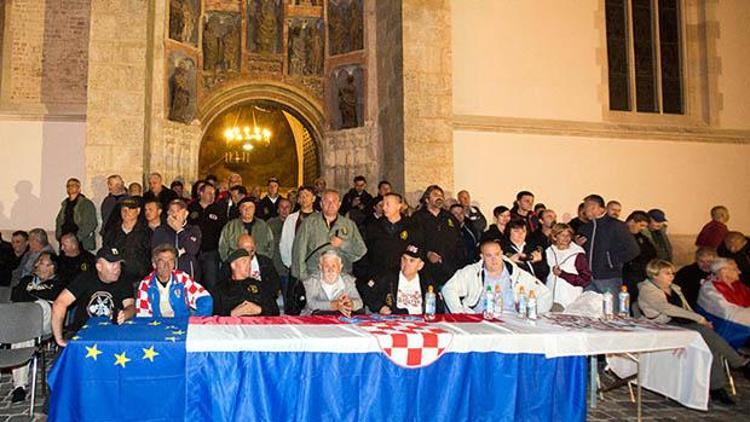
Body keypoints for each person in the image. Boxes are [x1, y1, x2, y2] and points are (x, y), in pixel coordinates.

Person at [638, 259, 750, 405]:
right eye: (667, 273)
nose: (671, 276)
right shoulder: (647, 289)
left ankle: (718, 387)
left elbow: (685, 309)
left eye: (672, 273)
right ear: (654, 275)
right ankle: (738, 363)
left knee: (711, 343)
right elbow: (667, 308)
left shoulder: (675, 288)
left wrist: (699, 320)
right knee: (703, 332)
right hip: (661, 324)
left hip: (680, 322)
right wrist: (699, 319)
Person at [51, 247, 136, 347]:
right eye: (112, 264)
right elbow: (59, 303)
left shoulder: (124, 279)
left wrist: (125, 313)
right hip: (83, 332)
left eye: (119, 263)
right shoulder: (86, 278)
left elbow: (131, 307)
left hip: (112, 333)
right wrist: (59, 339)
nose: (117, 268)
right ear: (99, 267)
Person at [442, 239, 553, 314]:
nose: (494, 259)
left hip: (511, 321)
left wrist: (534, 314)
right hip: (480, 321)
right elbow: (448, 288)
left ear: (502, 254)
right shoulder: (470, 272)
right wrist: (460, 314)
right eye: (489, 256)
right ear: (482, 257)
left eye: (497, 254)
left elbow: (545, 294)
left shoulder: (518, 273)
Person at [9, 252, 62, 403]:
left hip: (46, 324)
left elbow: (52, 295)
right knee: (23, 335)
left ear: (52, 268)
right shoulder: (26, 279)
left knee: (42, 305)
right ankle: (19, 386)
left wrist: (30, 296)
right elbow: (16, 295)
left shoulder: (57, 283)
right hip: (26, 326)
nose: (37, 264)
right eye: (38, 261)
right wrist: (35, 296)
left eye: (42, 262)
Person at [291, 189, 366, 281]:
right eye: (327, 201)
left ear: (339, 204)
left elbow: (361, 250)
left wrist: (343, 245)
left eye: (334, 201)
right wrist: (304, 278)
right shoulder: (309, 223)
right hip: (315, 276)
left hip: (342, 277)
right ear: (321, 204)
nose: (331, 205)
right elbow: (299, 251)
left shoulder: (349, 224)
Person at [576, 194, 639, 298]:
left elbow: (633, 250)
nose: (585, 211)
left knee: (611, 311)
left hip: (609, 278)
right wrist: (578, 246)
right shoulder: (584, 229)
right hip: (587, 279)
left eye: (587, 208)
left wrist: (612, 261)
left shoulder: (617, 226)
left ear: (597, 208)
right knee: (589, 310)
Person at [134, 244, 212, 318]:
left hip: (181, 324)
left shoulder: (182, 278)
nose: (167, 265)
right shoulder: (146, 285)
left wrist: (197, 323)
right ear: (154, 264)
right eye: (162, 261)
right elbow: (142, 314)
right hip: (158, 325)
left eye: (170, 261)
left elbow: (205, 298)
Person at [358, 244, 438, 315]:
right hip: (394, 321)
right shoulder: (388, 277)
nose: (406, 264)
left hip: (422, 323)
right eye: (404, 259)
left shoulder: (427, 282)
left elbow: (438, 307)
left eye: (411, 261)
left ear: (420, 265)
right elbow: (367, 291)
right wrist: (380, 307)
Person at [412, 185, 465, 287]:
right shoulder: (418, 218)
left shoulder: (449, 217)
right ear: (427, 199)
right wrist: (427, 254)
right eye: (435, 195)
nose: (439, 197)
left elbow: (458, 239)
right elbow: (414, 241)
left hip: (450, 268)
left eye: (441, 195)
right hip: (427, 269)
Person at [362, 192, 422, 280]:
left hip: (402, 275)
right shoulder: (373, 226)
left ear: (399, 206)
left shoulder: (411, 226)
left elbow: (416, 250)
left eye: (387, 204)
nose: (384, 208)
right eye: (383, 204)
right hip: (378, 275)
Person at [697, 258, 750, 348]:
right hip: (722, 329)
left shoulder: (738, 285)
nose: (739, 272)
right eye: (735, 269)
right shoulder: (708, 289)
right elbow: (728, 314)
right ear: (723, 271)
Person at [212, 249, 280, 316]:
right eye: (244, 262)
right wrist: (232, 313)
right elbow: (213, 316)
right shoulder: (221, 289)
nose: (249, 266)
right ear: (233, 265)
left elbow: (275, 310)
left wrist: (260, 309)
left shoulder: (259, 285)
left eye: (250, 263)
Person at [102, 196, 151, 286]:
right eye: (123, 209)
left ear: (138, 211)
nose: (126, 212)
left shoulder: (147, 233)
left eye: (130, 209)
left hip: (139, 281)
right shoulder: (112, 232)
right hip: (116, 281)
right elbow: (105, 253)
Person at [187, 182, 226, 291]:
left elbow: (223, 230)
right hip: (193, 252)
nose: (212, 196)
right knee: (193, 283)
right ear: (201, 193)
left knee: (212, 283)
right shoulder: (191, 207)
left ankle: (213, 307)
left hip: (211, 252)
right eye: (209, 193)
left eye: (214, 193)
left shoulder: (218, 209)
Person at [301, 250, 363, 316]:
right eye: (326, 266)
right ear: (320, 267)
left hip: (339, 321)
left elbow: (359, 302)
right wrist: (334, 305)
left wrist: (350, 304)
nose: (330, 270)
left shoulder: (347, 281)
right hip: (313, 320)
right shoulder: (312, 281)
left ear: (340, 267)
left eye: (334, 266)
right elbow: (311, 303)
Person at [545, 223, 592, 309]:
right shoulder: (548, 251)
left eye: (568, 235)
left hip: (570, 300)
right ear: (554, 237)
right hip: (550, 299)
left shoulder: (578, 254)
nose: (566, 238)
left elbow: (585, 279)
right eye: (562, 235)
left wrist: (563, 275)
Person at [151, 199, 202, 278]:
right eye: (171, 211)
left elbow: (192, 249)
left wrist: (179, 230)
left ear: (185, 214)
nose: (174, 214)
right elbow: (157, 252)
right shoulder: (160, 230)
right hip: (165, 274)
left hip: (187, 274)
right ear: (168, 213)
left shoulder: (193, 230)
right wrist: (179, 252)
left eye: (178, 211)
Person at [218, 197, 274, 262]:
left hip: (259, 264)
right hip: (236, 265)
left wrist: (265, 262)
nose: (247, 210)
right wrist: (229, 264)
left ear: (254, 209)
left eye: (250, 207)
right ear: (240, 209)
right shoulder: (230, 227)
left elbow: (271, 246)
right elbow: (223, 248)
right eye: (244, 207)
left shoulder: (264, 226)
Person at [622, 211, 657, 303]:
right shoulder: (620, 235)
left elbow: (652, 254)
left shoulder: (642, 238)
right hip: (626, 276)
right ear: (632, 222)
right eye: (641, 225)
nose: (643, 229)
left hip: (640, 276)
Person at [280, 186, 317, 271]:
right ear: (298, 200)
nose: (304, 198)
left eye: (307, 195)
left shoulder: (320, 219)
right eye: (301, 196)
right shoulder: (291, 219)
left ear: (313, 198)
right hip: (295, 264)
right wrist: (289, 264)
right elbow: (284, 242)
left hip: (314, 265)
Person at [55, 178, 98, 251]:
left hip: (81, 242)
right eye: (68, 186)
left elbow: (91, 224)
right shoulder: (65, 204)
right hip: (65, 242)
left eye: (73, 185)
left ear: (79, 188)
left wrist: (77, 238)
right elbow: (59, 221)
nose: (70, 187)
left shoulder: (86, 204)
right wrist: (59, 237)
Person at [266, 198, 292, 294]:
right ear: (277, 209)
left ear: (291, 209)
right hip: (274, 267)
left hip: (289, 269)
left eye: (287, 207)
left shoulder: (295, 223)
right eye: (281, 207)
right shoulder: (270, 224)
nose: (284, 209)